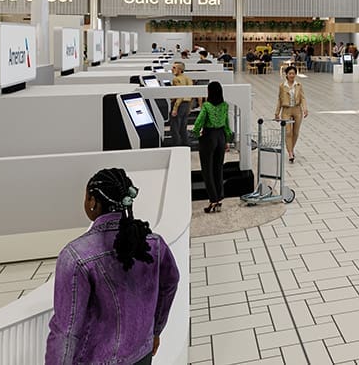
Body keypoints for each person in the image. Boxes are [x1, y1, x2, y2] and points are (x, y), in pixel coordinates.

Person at [46, 168, 179, 365]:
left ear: (92, 202)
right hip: (142, 354)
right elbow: (170, 284)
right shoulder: (154, 244)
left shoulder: (76, 256)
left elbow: (66, 331)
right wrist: (155, 331)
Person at [193, 81, 233, 213]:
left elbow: (199, 121)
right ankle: (219, 198)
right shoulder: (225, 105)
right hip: (221, 136)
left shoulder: (207, 106)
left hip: (208, 137)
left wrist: (195, 133)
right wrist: (227, 139)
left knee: (207, 170)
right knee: (218, 168)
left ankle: (213, 199)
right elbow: (227, 124)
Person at [275, 64, 308, 162]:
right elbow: (279, 99)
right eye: (290, 73)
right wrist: (277, 113)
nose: (292, 75)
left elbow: (302, 97)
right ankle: (290, 153)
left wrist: (305, 109)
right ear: (286, 75)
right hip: (286, 110)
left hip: (297, 110)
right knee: (288, 132)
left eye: (293, 73)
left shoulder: (298, 85)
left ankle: (291, 149)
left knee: (295, 132)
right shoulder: (282, 86)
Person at [169, 62, 193, 147]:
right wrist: (189, 107)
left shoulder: (176, 79)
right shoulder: (188, 78)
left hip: (179, 105)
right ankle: (186, 144)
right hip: (186, 105)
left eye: (174, 67)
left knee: (175, 128)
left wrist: (175, 108)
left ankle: (177, 146)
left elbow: (180, 94)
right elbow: (191, 94)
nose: (172, 69)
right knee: (183, 127)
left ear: (180, 70)